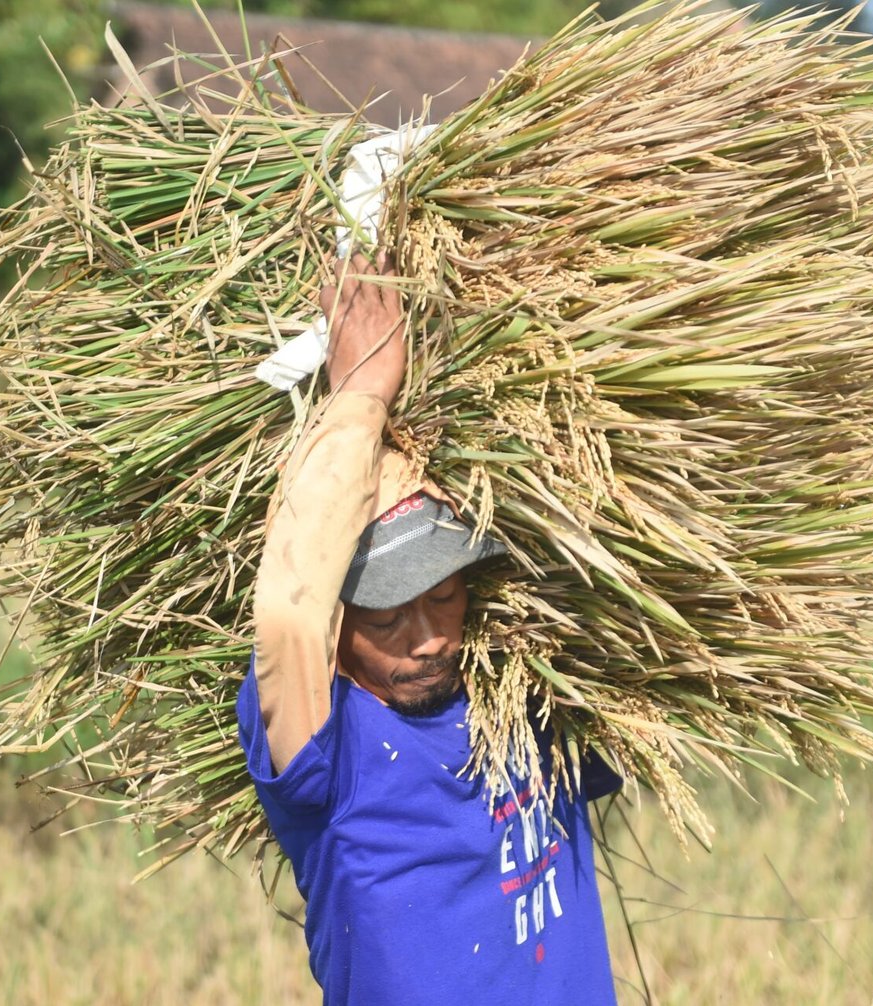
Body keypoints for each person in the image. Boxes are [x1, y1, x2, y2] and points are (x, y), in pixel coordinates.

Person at [235, 253, 623, 1005]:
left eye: (444, 596)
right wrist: (361, 395)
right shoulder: (329, 754)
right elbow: (289, 606)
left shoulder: (523, 690)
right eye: (383, 616)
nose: (428, 640)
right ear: (337, 632)